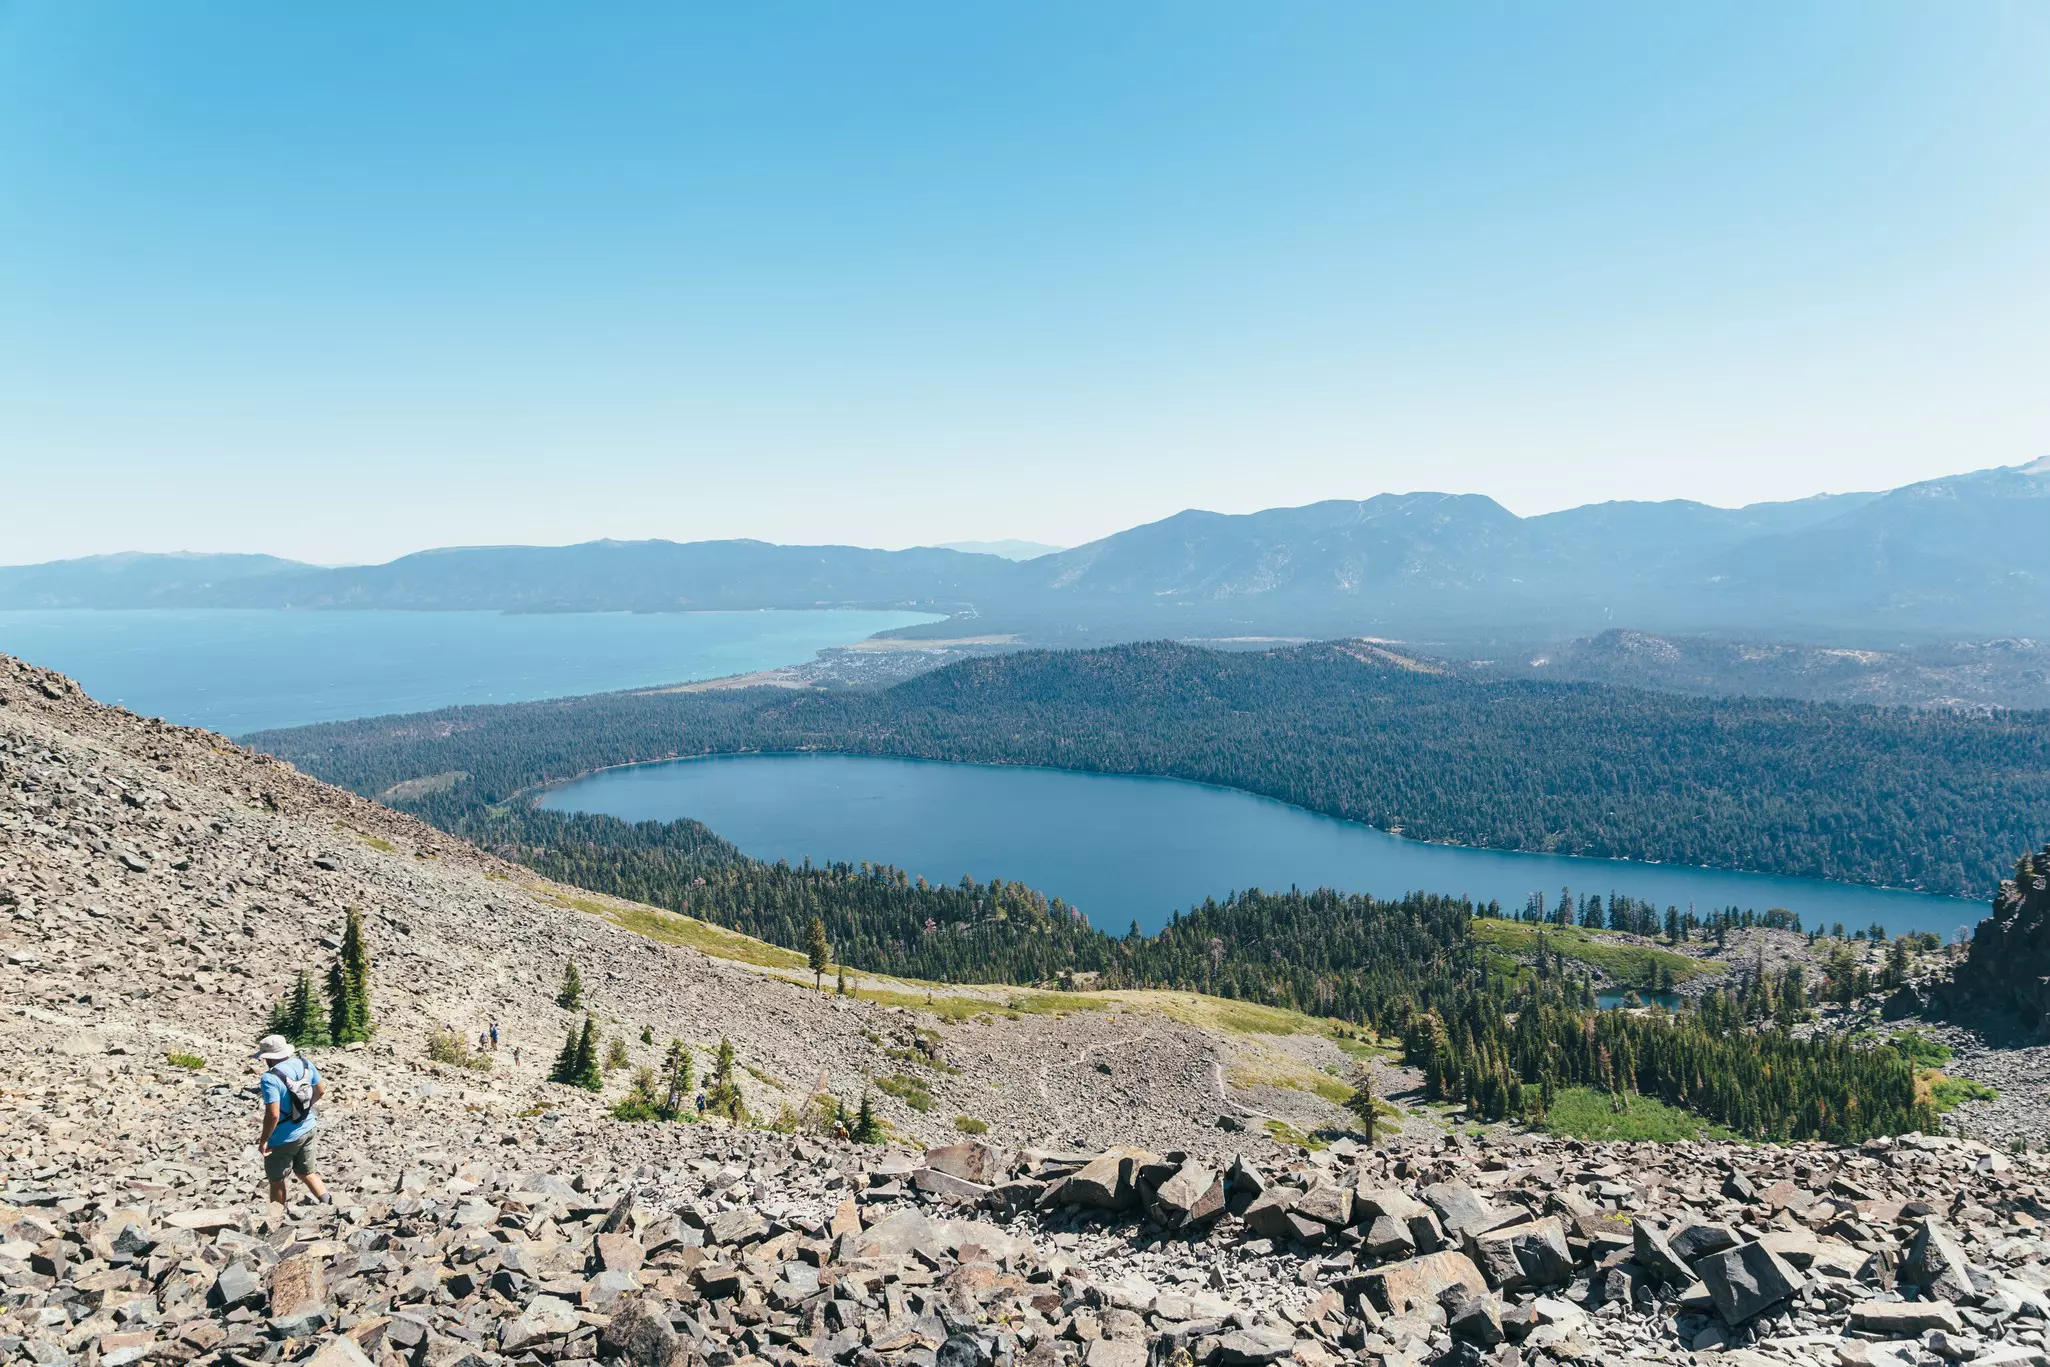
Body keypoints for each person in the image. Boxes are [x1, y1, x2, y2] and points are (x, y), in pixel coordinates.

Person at [253, 1034, 330, 1207]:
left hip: (283, 1137)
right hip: (308, 1126)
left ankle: (275, 1219)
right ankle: (331, 1205)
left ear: (267, 1058)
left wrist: (264, 1140)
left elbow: (273, 1115)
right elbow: (321, 1090)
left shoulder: (269, 1078)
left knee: (276, 1179)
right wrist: (304, 1109)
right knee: (307, 1172)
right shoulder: (304, 1063)